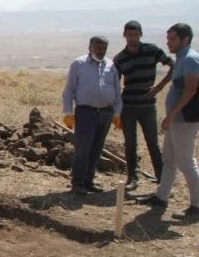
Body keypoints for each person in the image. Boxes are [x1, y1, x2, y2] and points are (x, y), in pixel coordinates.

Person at [135, 23, 199, 221]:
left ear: (185, 39)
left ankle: (197, 206)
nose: (168, 43)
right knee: (169, 159)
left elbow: (191, 90)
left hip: (184, 119)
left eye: (173, 39)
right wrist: (161, 89)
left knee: (186, 162)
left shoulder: (190, 59)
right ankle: (161, 197)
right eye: (168, 38)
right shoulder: (181, 58)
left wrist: (171, 114)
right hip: (177, 118)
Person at [112, 20, 174, 191]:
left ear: (141, 35)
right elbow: (115, 85)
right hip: (128, 107)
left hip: (148, 106)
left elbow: (173, 66)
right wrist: (116, 110)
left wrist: (159, 87)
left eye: (136, 35)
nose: (132, 38)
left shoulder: (152, 50)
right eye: (129, 35)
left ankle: (162, 180)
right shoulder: (120, 58)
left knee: (152, 143)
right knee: (130, 143)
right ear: (124, 35)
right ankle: (132, 178)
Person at [62, 36, 123, 196]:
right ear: (90, 48)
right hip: (86, 113)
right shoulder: (78, 64)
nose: (101, 51)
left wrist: (117, 113)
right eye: (98, 48)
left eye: (104, 49)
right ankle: (78, 183)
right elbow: (69, 91)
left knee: (96, 149)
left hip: (105, 113)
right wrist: (68, 112)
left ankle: (89, 182)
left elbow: (117, 91)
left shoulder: (110, 65)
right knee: (83, 149)